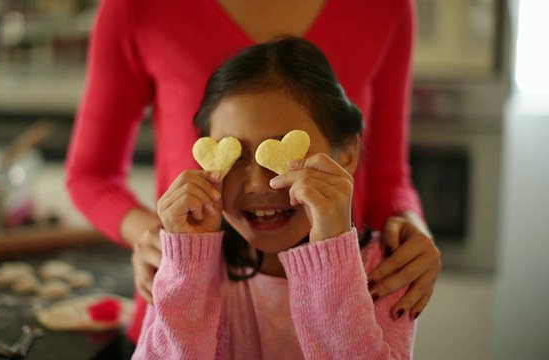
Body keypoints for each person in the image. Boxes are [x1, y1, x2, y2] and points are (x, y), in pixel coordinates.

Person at [66, 0, 440, 345]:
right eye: (237, 155)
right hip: (190, 296)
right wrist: (159, 242)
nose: (261, 181)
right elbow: (90, 174)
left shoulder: (385, 8)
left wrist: (409, 227)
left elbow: (389, 175)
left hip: (349, 299)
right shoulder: (137, 7)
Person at [132, 36, 416, 359]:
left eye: (282, 151)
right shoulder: (184, 270)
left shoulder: (388, 271)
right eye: (235, 156)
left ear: (347, 153)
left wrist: (332, 254)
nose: (257, 185)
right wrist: (186, 266)